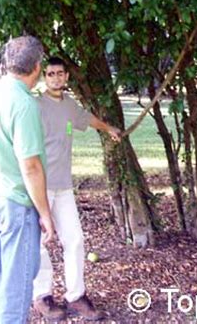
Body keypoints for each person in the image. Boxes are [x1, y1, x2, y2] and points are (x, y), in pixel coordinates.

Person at [33, 57, 122, 321]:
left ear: (67, 77)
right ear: (44, 77)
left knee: (74, 240)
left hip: (63, 186)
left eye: (60, 73)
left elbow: (87, 118)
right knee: (40, 242)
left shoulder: (70, 105)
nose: (56, 78)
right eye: (50, 74)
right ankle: (42, 297)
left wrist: (109, 129)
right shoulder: (36, 106)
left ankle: (75, 296)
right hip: (40, 186)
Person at [0, 35, 54, 324]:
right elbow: (31, 166)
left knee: (1, 276)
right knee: (17, 286)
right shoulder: (24, 104)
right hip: (14, 204)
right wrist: (45, 214)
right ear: (37, 66)